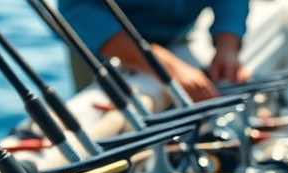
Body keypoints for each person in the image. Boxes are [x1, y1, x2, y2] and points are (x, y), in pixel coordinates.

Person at [58, 0, 251, 102]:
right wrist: (163, 64)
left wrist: (228, 45)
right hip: (103, 47)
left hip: (178, 37)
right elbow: (78, 7)